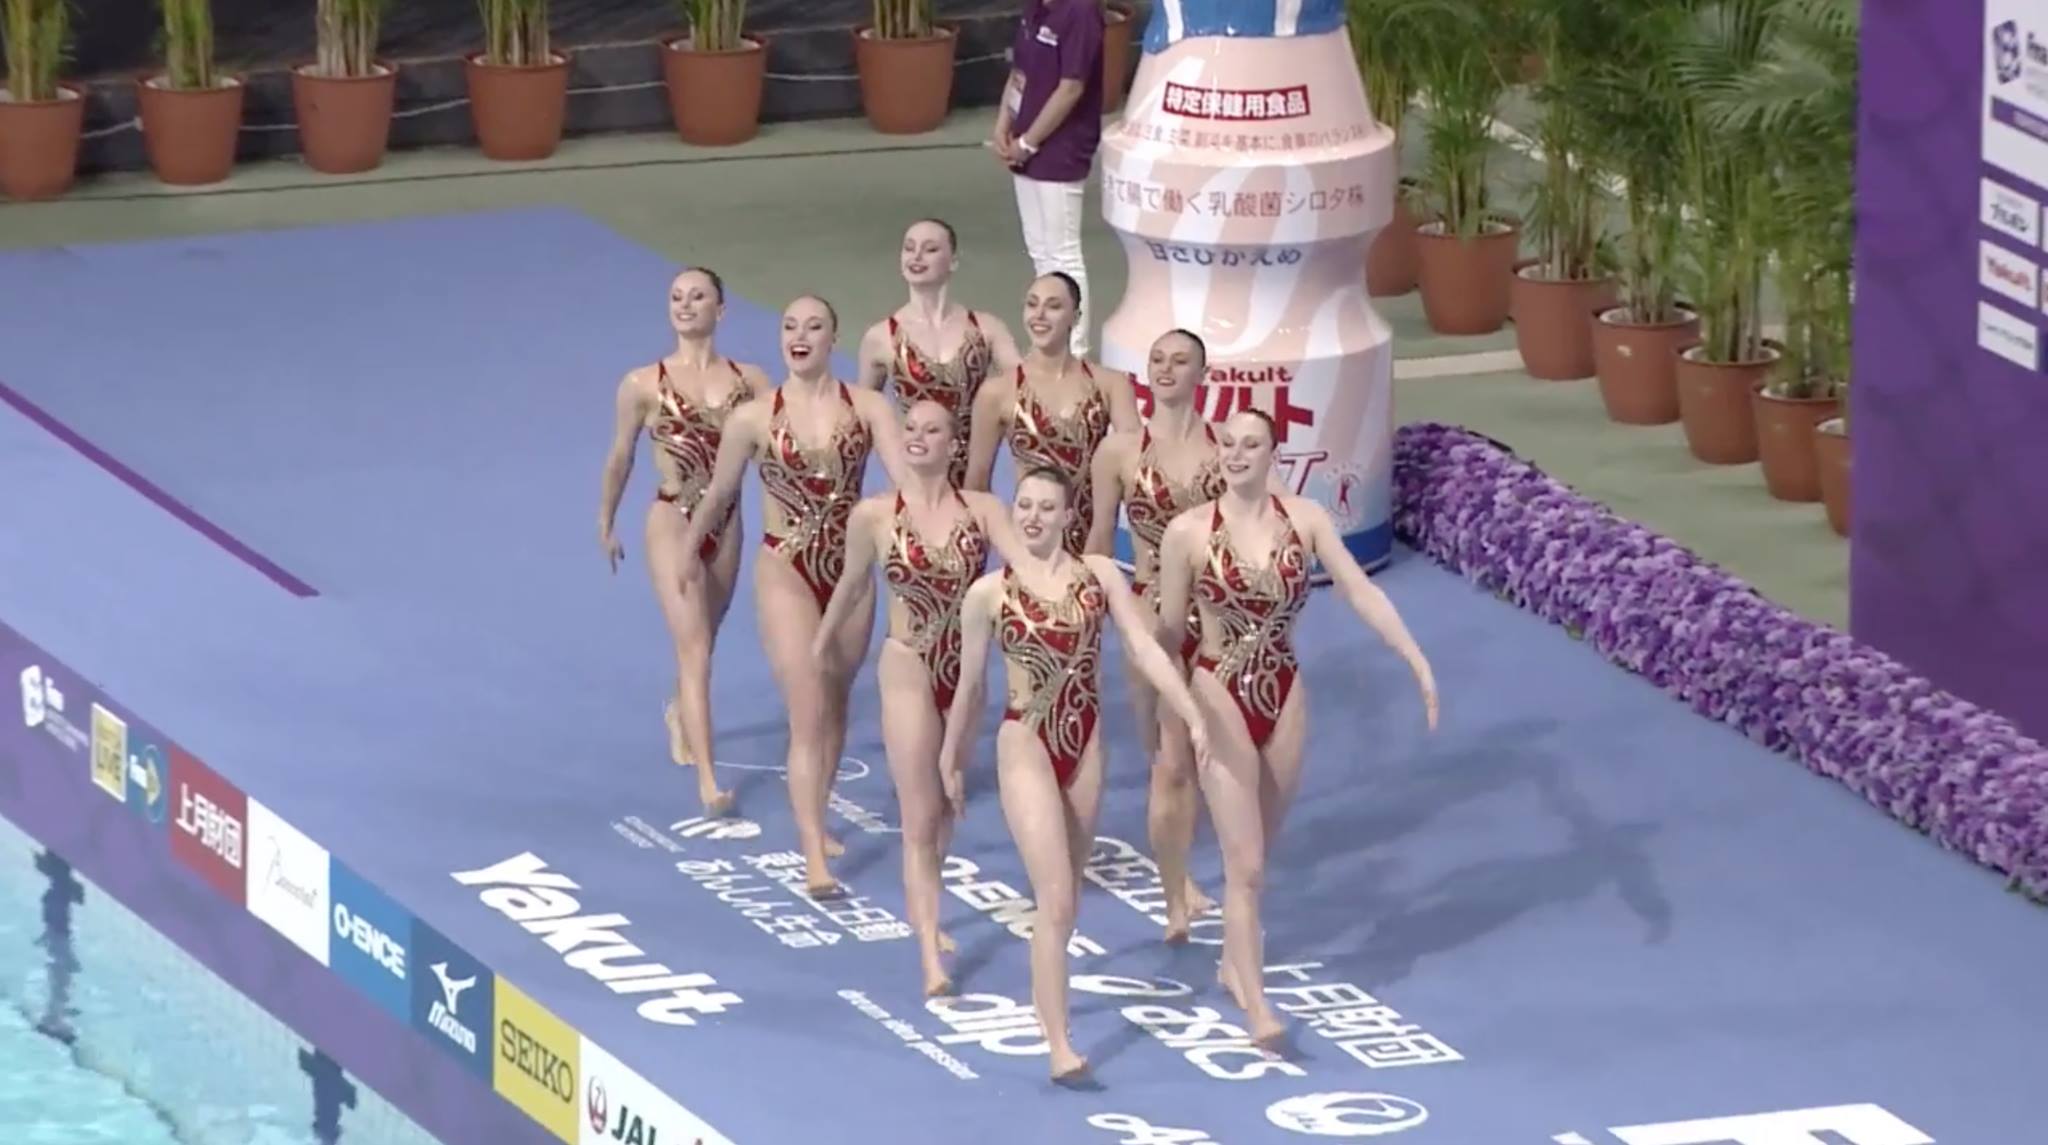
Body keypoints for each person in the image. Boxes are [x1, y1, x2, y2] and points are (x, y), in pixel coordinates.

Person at [1155, 409, 1440, 1048]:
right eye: (1228, 444)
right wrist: (1171, 704)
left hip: (1284, 692)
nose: (1236, 454)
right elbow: (1170, 631)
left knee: (1260, 852)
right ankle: (1255, 1003)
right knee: (1246, 863)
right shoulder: (1188, 533)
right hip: (1218, 690)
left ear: (1273, 454)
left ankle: (1234, 960)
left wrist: (1415, 659)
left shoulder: (1305, 520)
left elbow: (1359, 590)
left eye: (1250, 445)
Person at [941, 466, 1212, 1082]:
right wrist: (950, 756)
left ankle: (1052, 1007)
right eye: (1024, 505)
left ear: (1069, 515)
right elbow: (971, 685)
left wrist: (1191, 711)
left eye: (1046, 507)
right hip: (1025, 742)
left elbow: (1144, 647)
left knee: (1068, 901)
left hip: (1085, 744)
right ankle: (1060, 1043)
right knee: (1056, 897)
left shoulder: (1100, 575)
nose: (1032, 517)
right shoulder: (988, 593)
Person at [679, 295, 908, 897]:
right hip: (787, 568)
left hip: (849, 573)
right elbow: (719, 493)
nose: (799, 336)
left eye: (813, 327)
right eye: (789, 327)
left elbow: (907, 483)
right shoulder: (753, 418)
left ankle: (819, 814)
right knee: (808, 709)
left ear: (834, 338)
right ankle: (813, 855)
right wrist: (688, 550)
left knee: (835, 703)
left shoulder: (869, 408)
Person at [812, 401, 1030, 997]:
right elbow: (851, 584)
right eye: (910, 428)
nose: (917, 438)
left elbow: (1023, 571)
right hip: (907, 664)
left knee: (944, 807)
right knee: (918, 813)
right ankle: (930, 951)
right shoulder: (875, 515)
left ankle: (929, 904)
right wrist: (823, 642)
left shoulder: (983, 511)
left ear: (953, 445)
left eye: (932, 431)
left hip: (965, 672)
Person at [597, 267, 768, 816]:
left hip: (728, 523)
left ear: (721, 310)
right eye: (676, 297)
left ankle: (678, 709)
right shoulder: (642, 384)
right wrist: (606, 521)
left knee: (704, 637)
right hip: (672, 517)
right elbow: (621, 456)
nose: (685, 305)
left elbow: (779, 448)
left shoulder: (750, 381)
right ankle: (709, 780)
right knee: (694, 647)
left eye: (698, 297)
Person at [1085, 329, 1224, 942]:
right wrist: (1085, 611)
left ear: (1202, 373)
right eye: (1157, 359)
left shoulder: (1227, 449)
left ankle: (1182, 877)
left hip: (1216, 615)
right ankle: (1177, 890)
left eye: (1179, 361)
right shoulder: (1118, 452)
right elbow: (1098, 539)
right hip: (1150, 614)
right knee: (1166, 758)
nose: (1166, 369)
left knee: (1195, 757)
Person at [965, 272, 1137, 556]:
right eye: (1032, 304)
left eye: (1053, 306)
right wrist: (1008, 547)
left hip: (1092, 546)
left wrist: (1103, 534)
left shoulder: (1111, 385)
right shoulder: (998, 392)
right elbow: (976, 485)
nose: (1040, 315)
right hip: (1029, 548)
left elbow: (1132, 467)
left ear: (1075, 317)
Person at [857, 219, 1025, 489]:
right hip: (912, 489)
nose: (917, 257)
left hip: (972, 489)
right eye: (909, 248)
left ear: (953, 261)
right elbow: (862, 423)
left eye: (930, 249)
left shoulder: (987, 329)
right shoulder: (881, 337)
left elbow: (1028, 392)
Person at [993, 0, 1107, 357]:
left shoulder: (1081, 12)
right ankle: (1049, 346)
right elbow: (1020, 72)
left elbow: (1071, 87)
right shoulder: (1035, 7)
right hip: (1024, 144)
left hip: (1061, 148)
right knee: (1041, 252)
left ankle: (1075, 351)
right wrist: (1004, 123)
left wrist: (1029, 142)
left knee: (1063, 254)